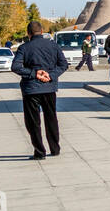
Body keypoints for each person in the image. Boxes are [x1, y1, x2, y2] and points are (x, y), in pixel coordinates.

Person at [11, 20, 69, 160]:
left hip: (31, 90)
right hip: (49, 88)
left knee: (33, 122)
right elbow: (64, 65)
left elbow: (16, 67)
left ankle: (39, 151)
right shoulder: (53, 46)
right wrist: (50, 75)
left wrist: (34, 74)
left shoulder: (24, 48)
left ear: (28, 33)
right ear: (42, 32)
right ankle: (55, 148)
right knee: (51, 118)